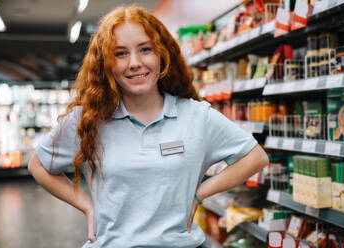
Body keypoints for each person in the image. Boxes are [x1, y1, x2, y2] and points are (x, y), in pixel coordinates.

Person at [28, 5, 269, 248]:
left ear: (162, 54)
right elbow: (38, 165)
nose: (134, 63)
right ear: (106, 63)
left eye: (145, 49)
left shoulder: (196, 116)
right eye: (120, 53)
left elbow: (255, 157)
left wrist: (200, 193)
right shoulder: (89, 118)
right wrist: (87, 205)